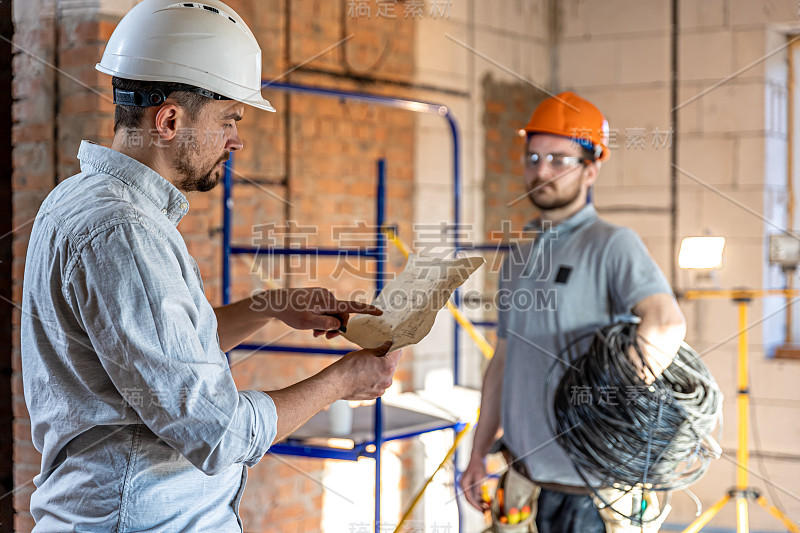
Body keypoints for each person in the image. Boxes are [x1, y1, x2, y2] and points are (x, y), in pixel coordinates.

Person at [21, 1, 400, 531]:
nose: (236, 139)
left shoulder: (80, 201)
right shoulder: (125, 234)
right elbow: (216, 432)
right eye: (228, 119)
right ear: (170, 120)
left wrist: (271, 306)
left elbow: (159, 352)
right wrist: (341, 381)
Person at [460, 92, 686, 532]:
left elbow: (666, 322)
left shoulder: (612, 243)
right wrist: (477, 452)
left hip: (597, 490)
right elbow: (503, 362)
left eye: (559, 160)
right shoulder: (520, 258)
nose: (541, 170)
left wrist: (610, 402)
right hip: (526, 481)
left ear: (591, 168)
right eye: (534, 157)